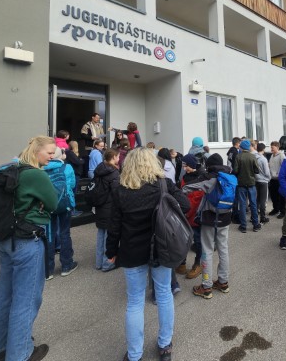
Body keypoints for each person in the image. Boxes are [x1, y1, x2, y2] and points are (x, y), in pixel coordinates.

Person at [106, 148, 190, 361]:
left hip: (131, 250)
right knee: (164, 294)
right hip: (161, 247)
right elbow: (186, 205)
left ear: (129, 165)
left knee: (135, 301)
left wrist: (111, 251)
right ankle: (165, 345)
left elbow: (114, 226)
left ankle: (135, 354)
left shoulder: (120, 190)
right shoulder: (164, 185)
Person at [0, 136, 58, 361]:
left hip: (6, 239)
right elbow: (53, 203)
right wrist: (41, 204)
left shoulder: (7, 168)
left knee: (4, 295)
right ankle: (20, 353)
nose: (53, 156)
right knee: (26, 299)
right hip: (27, 241)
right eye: (49, 152)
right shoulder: (36, 175)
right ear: (36, 151)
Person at [182, 153, 233, 299]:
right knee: (223, 249)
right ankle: (223, 282)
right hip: (225, 218)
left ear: (209, 165)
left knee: (207, 251)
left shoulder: (209, 178)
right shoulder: (229, 176)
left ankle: (206, 286)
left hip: (210, 218)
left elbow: (187, 187)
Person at [44, 147, 78, 280]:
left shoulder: (42, 168)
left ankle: (48, 270)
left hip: (47, 205)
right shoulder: (67, 167)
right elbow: (73, 184)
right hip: (65, 204)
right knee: (65, 233)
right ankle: (66, 265)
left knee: (49, 235)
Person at [93, 148, 120, 272]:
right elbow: (116, 192)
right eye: (118, 156)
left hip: (100, 205)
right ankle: (107, 263)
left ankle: (99, 262)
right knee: (109, 236)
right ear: (113, 157)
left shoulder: (99, 169)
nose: (119, 158)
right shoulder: (113, 172)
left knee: (101, 234)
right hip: (110, 206)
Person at [233, 139, 261, 233]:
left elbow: (235, 170)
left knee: (242, 204)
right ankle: (255, 225)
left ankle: (243, 226)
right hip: (251, 183)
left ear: (241, 147)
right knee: (253, 204)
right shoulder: (253, 156)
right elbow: (257, 170)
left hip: (241, 183)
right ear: (249, 147)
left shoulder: (238, 156)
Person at [268, 141, 286, 218]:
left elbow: (284, 167)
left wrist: (280, 175)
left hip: (279, 179)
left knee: (281, 197)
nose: (271, 149)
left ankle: (283, 211)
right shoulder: (272, 156)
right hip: (272, 179)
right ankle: (276, 209)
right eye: (271, 147)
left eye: (273, 147)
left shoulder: (281, 156)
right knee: (273, 195)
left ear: (277, 147)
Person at [254, 142, 271, 224]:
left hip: (256, 180)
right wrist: (269, 178)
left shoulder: (254, 157)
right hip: (263, 181)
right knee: (263, 201)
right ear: (263, 149)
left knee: (257, 199)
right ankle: (262, 218)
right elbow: (267, 172)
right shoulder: (263, 159)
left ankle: (254, 216)